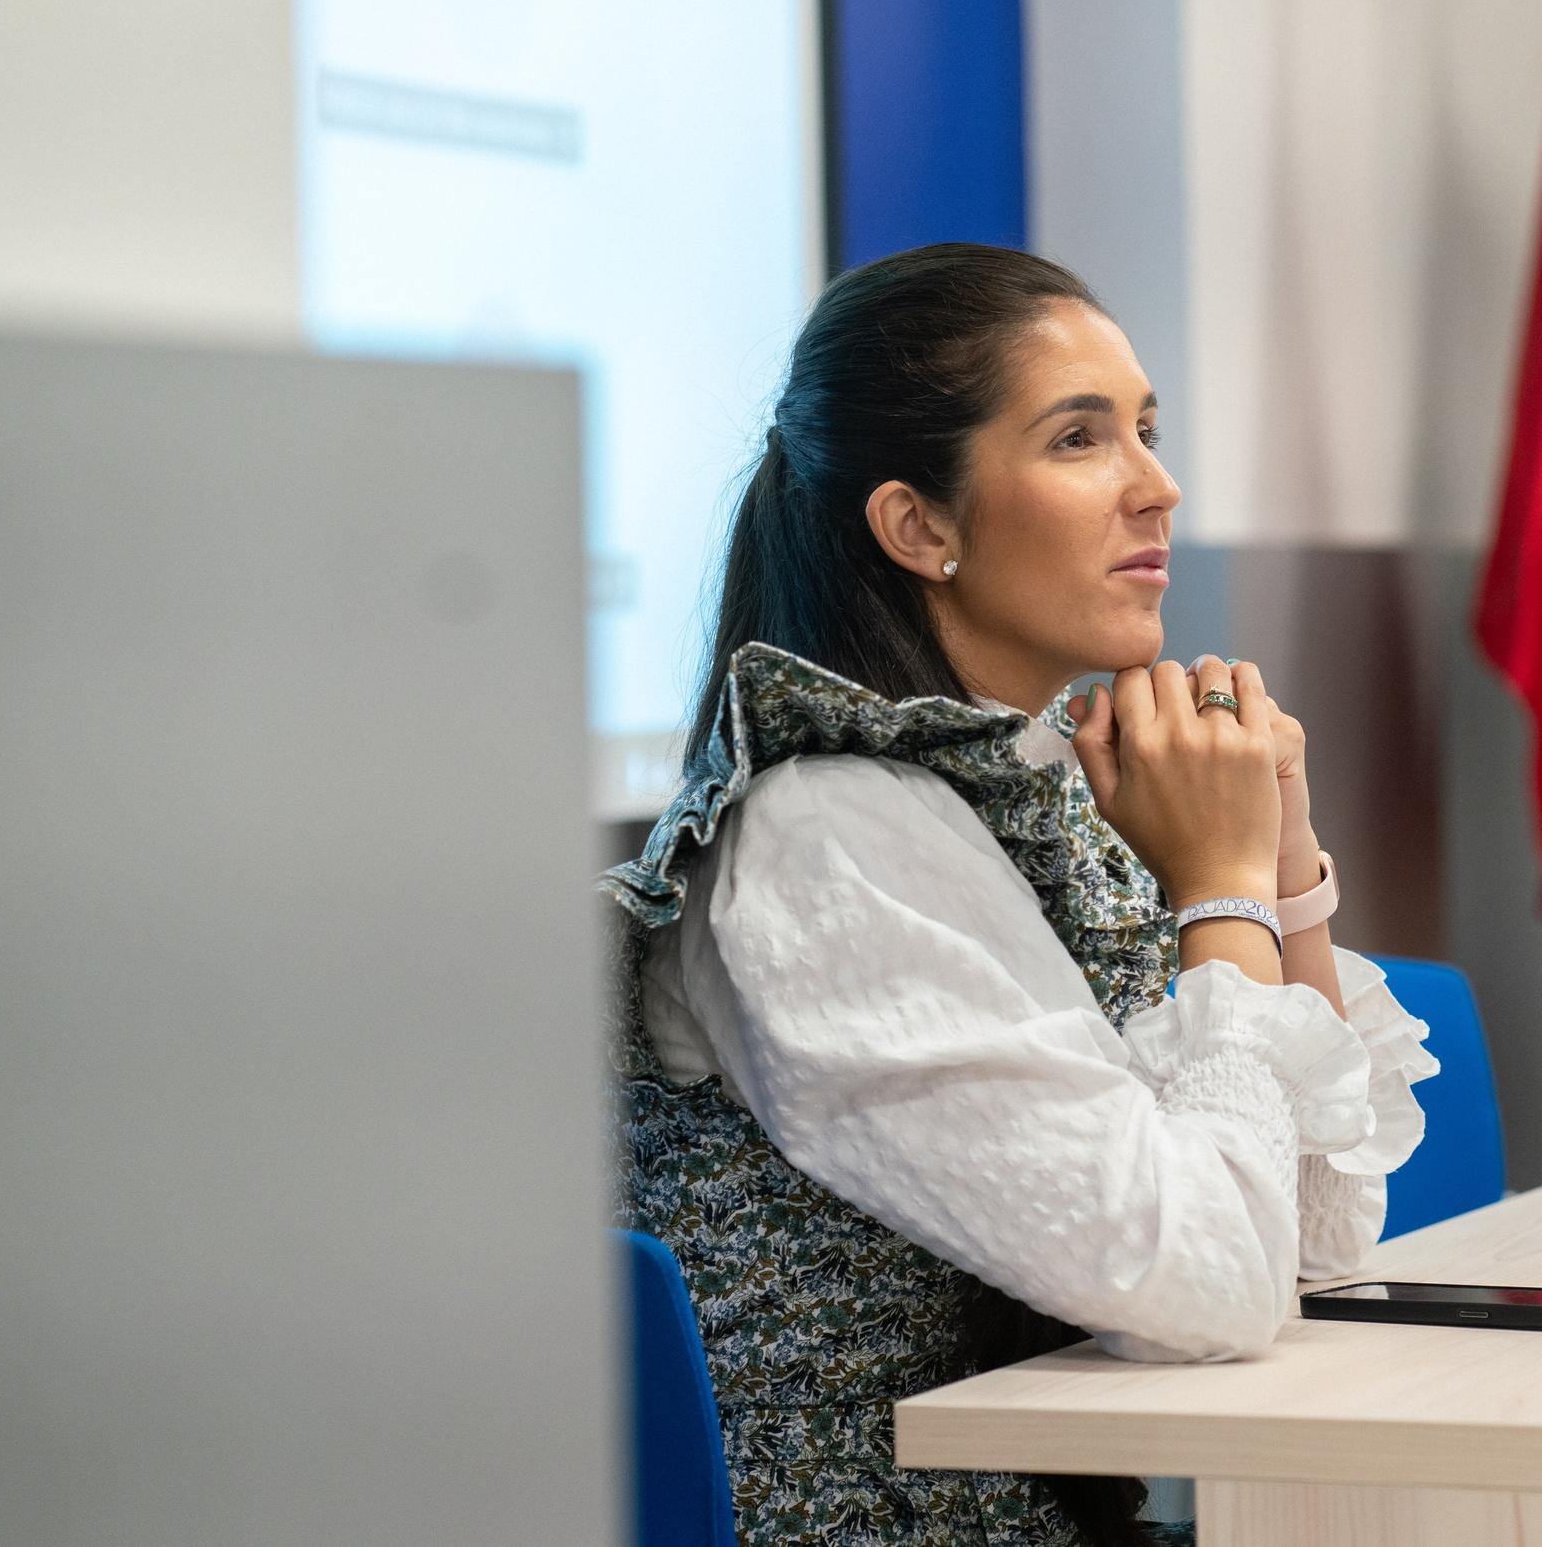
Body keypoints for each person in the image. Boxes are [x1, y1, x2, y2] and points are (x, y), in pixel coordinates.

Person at [602, 243, 1437, 1547]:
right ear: (919, 527)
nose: (1158, 486)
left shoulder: (1032, 796)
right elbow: (1218, 1282)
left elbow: (1310, 1241)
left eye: (1148, 431)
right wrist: (1219, 886)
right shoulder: (824, 839)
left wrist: (1280, 866)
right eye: (1079, 439)